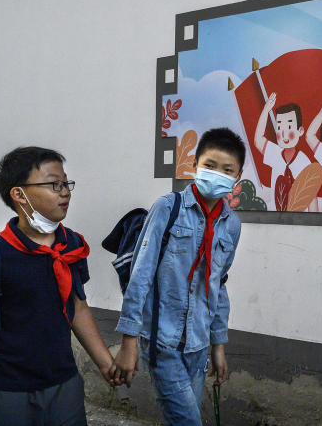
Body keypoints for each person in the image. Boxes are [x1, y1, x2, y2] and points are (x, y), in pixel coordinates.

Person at [0, 146, 116, 426]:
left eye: (66, 183)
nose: (65, 192)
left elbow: (77, 308)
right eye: (53, 184)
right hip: (6, 393)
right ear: (19, 194)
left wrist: (105, 362)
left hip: (64, 386)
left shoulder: (70, 246)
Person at [111, 128, 244, 426]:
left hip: (197, 345)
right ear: (195, 164)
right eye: (209, 165)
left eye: (227, 170)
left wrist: (218, 346)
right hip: (162, 341)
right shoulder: (167, 208)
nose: (216, 174)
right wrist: (128, 341)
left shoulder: (231, 225)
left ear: (238, 176)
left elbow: (218, 286)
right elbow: (140, 275)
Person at [253, 93, 313, 210]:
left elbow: (311, 195)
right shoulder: (275, 153)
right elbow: (258, 140)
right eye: (280, 128)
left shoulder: (304, 161)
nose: (284, 134)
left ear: (300, 131)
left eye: (289, 127)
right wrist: (266, 110)